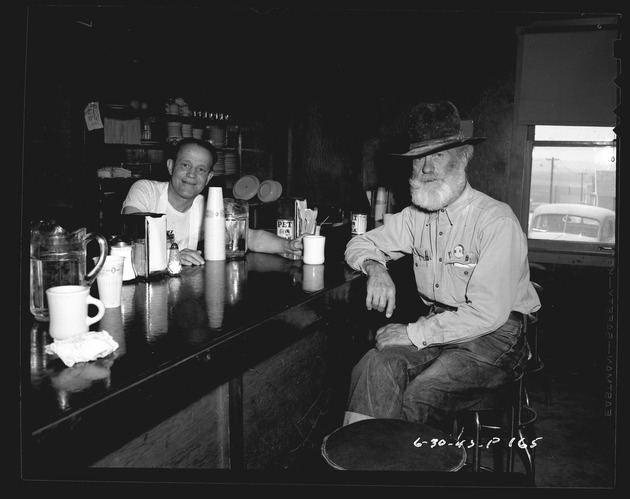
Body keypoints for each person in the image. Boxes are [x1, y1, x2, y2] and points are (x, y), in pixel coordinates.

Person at [343, 101, 541, 430]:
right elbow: (359, 243)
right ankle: (362, 467)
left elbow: (488, 313)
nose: (426, 168)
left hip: (497, 337)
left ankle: (403, 473)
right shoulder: (415, 217)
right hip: (440, 328)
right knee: (372, 366)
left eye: (437, 155)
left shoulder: (495, 220)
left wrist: (413, 332)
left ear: (462, 156)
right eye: (419, 157)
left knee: (421, 393)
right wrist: (375, 268)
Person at [122, 137, 302, 266]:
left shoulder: (206, 206)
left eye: (201, 169)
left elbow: (249, 237)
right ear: (171, 166)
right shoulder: (146, 190)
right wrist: (172, 255)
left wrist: (288, 245)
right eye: (185, 165)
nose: (192, 174)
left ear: (208, 178)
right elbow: (133, 235)